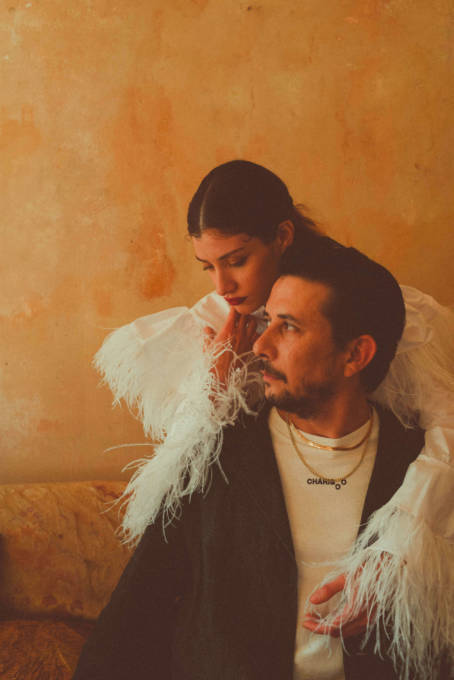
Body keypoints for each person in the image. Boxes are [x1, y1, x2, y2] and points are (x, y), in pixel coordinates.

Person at [94, 161, 454, 673]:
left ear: (283, 236)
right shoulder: (220, 334)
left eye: (236, 260)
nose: (222, 285)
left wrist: (397, 554)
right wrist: (213, 391)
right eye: (207, 267)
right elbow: (144, 596)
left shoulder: (378, 316)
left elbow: (446, 427)